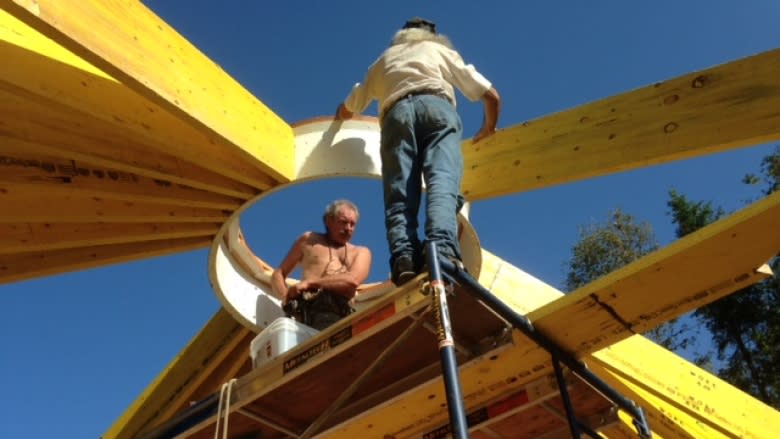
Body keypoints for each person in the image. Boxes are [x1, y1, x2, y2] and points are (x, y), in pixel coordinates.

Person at [335, 17, 501, 285]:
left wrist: (337, 122)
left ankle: (404, 259)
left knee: (399, 192)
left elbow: (347, 106)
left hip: (394, 115)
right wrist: (488, 128)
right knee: (441, 182)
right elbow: (491, 96)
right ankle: (442, 251)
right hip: (436, 107)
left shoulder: (382, 62)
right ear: (433, 36)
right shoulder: (439, 51)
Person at [271, 199, 372, 330]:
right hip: (306, 311)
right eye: (343, 222)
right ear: (328, 221)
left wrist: (309, 283)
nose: (348, 228)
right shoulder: (308, 240)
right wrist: (286, 297)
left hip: (340, 313)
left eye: (353, 224)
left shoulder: (361, 252)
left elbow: (352, 280)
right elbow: (278, 273)